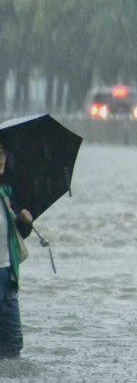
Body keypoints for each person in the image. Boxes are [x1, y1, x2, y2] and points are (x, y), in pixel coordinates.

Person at [0, 141, 32, 358]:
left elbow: (19, 233)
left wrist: (25, 221)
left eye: (2, 152)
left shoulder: (6, 192)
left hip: (7, 274)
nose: (1, 157)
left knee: (13, 345)